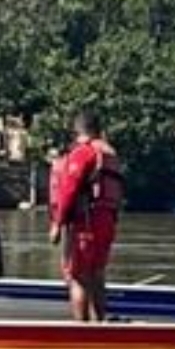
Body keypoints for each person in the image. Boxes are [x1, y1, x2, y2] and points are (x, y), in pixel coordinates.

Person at [49, 112, 124, 321]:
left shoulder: (84, 152)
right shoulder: (109, 154)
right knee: (97, 275)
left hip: (86, 223)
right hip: (107, 221)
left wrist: (58, 223)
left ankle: (81, 330)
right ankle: (99, 325)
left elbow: (69, 189)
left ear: (77, 132)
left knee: (78, 278)